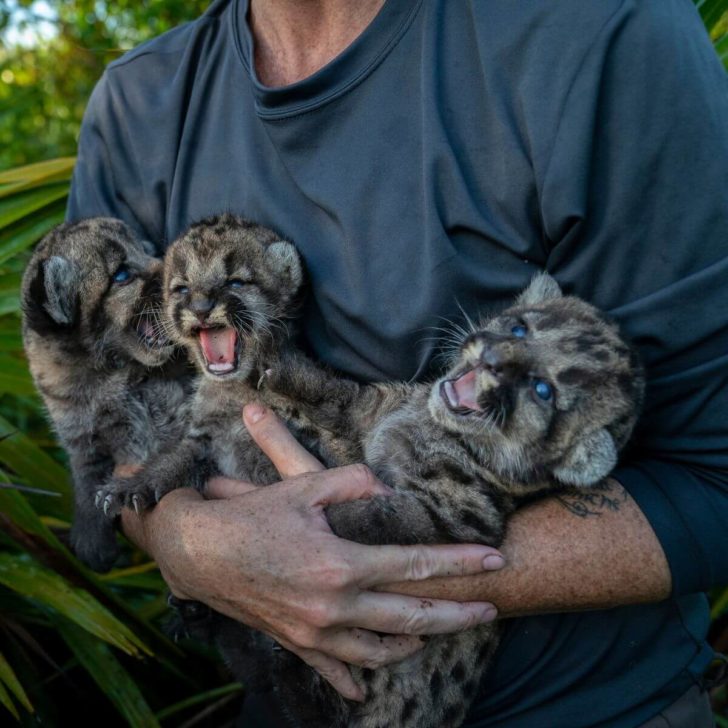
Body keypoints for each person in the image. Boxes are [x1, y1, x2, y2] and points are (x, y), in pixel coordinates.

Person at [66, 0, 728, 725]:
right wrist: (187, 543)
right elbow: (115, 434)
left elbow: (711, 481)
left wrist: (359, 562)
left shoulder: (599, 31)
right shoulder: (139, 103)